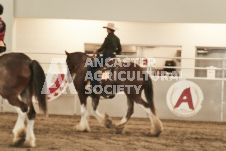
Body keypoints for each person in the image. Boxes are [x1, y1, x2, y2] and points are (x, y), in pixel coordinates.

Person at [87, 22, 122, 90]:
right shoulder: (117, 39)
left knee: (90, 67)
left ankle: (94, 85)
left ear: (109, 29)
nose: (106, 30)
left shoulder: (108, 38)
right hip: (113, 57)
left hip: (106, 57)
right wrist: (115, 51)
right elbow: (120, 50)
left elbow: (103, 47)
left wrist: (97, 51)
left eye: (107, 29)